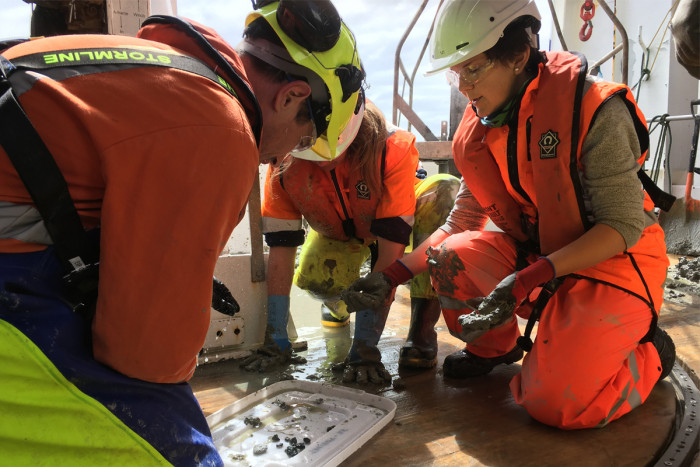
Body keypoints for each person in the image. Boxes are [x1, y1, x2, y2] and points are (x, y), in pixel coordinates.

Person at [0, 0, 364, 464]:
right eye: (304, 138)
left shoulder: (168, 71)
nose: (284, 158)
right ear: (291, 96)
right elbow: (144, 357)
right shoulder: (221, 129)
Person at [342, 0, 676, 430]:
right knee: (451, 255)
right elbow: (459, 223)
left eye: (473, 69)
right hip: (539, 258)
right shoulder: (484, 127)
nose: (463, 86)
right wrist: (392, 276)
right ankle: (494, 348)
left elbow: (623, 226)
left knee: (555, 405)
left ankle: (652, 354)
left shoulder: (595, 109)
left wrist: (528, 279)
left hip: (613, 265)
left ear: (518, 56)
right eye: (456, 72)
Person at [245, 99, 459, 384]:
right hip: (340, 233)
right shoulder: (282, 163)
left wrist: (365, 349)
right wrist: (275, 336)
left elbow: (390, 253)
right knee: (314, 278)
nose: (322, 162)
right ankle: (339, 305)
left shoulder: (390, 148)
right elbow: (281, 251)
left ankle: (420, 330)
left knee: (443, 191)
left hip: (398, 224)